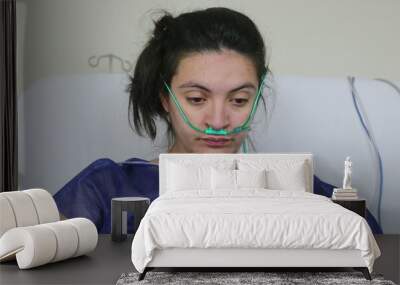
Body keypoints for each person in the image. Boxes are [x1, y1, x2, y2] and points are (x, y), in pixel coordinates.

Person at [53, 7, 382, 234]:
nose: (219, 120)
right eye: (196, 99)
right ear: (165, 98)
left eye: (239, 100)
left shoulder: (299, 188)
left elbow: (373, 248)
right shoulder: (105, 188)